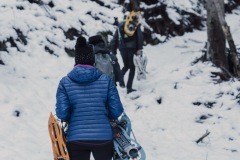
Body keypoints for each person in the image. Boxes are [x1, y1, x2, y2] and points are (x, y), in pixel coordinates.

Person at [55, 36, 124, 160]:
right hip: (103, 138)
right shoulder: (106, 81)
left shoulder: (64, 83)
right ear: (93, 60)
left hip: (76, 139)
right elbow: (117, 111)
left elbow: (62, 114)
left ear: (76, 60)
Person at [110, 13, 144, 94]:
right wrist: (139, 48)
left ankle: (118, 79)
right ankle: (129, 88)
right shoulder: (135, 24)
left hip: (122, 49)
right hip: (132, 48)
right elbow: (140, 37)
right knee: (132, 67)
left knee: (126, 65)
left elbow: (114, 39)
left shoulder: (120, 26)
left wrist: (113, 52)